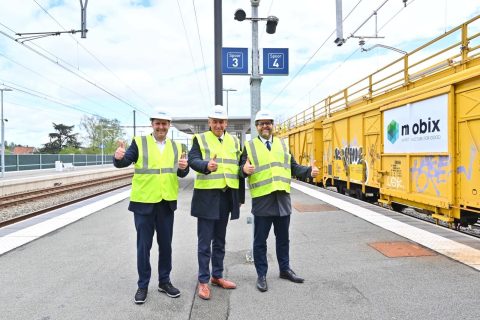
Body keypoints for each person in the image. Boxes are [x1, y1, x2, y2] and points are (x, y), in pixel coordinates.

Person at [113, 109, 189, 304]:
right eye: (158, 123)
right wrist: (118, 157)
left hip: (166, 203)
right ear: (152, 124)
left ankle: (164, 282)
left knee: (166, 246)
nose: (161, 127)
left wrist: (184, 168)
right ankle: (143, 285)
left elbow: (181, 173)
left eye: (165, 123)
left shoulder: (176, 146)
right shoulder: (139, 143)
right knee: (143, 247)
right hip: (143, 203)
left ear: (169, 126)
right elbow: (123, 163)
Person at [240, 110, 319, 292]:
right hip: (263, 200)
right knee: (260, 241)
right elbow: (241, 169)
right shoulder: (249, 147)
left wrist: (308, 171)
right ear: (257, 126)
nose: (265, 126)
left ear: (272, 125)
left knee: (283, 239)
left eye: (268, 123)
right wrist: (244, 170)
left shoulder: (283, 145)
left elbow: (293, 167)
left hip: (282, 199)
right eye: (261, 123)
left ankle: (285, 269)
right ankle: (261, 275)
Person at [188, 105, 244, 300]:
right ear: (209, 122)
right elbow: (192, 159)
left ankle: (217, 276)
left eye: (222, 122)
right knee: (205, 243)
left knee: (219, 241)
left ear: (226, 123)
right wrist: (206, 165)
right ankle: (203, 281)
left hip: (227, 197)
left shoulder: (235, 141)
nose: (218, 125)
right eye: (215, 121)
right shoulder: (200, 139)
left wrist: (240, 198)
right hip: (206, 198)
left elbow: (240, 168)